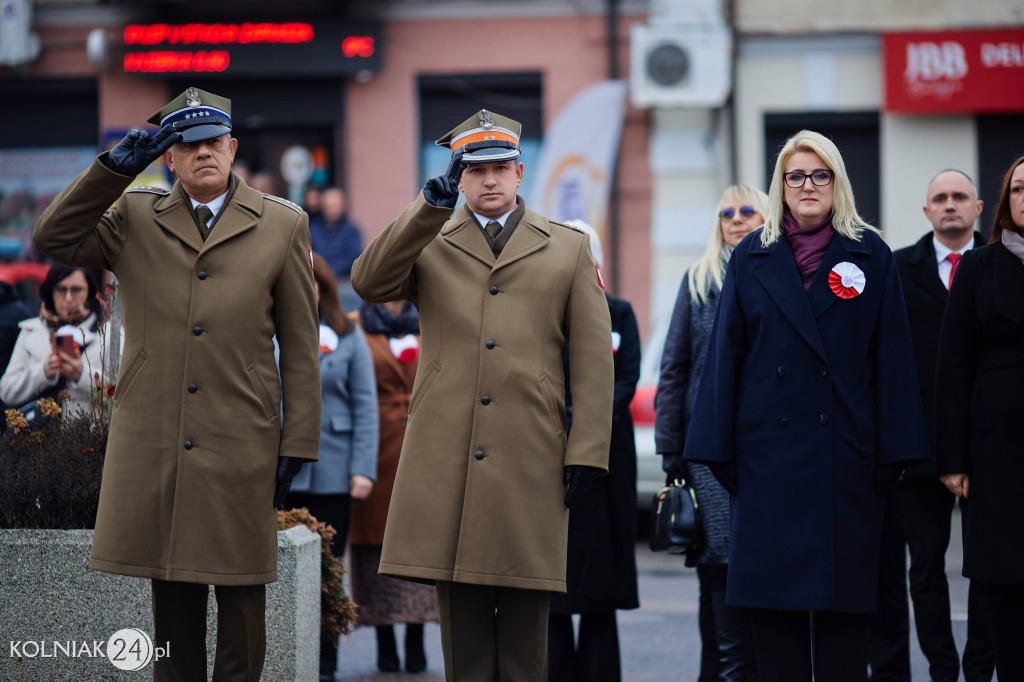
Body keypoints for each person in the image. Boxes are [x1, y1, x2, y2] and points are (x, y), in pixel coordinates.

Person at [33, 86, 322, 681]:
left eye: (213, 141)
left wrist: (298, 442)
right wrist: (112, 172)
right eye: (188, 145)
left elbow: (300, 346)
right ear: (169, 157)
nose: (203, 153)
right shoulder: (134, 215)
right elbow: (54, 238)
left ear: (233, 148)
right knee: (172, 596)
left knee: (243, 594)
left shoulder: (281, 223)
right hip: (158, 435)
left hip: (242, 435)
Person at [351, 109, 613, 681]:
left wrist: (588, 451)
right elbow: (369, 281)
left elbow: (594, 361)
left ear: (520, 172)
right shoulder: (430, 240)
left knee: (525, 645)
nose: (489, 180)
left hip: (531, 456)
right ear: (459, 178)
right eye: (475, 170)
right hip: (450, 458)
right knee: (464, 646)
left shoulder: (567, 247)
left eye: (499, 168)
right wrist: (428, 207)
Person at [682, 130, 929, 682]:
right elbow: (726, 356)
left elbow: (893, 358)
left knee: (844, 638)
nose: (808, 185)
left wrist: (894, 455)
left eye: (820, 174)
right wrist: (718, 452)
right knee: (776, 639)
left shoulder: (871, 253)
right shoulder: (752, 255)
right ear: (781, 186)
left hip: (846, 463)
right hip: (768, 464)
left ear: (837, 182)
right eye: (796, 176)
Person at [876, 170, 994, 682]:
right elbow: (885, 362)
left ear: (979, 207)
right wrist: (893, 444)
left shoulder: (1001, 264)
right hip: (919, 449)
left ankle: (980, 667)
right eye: (940, 198)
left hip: (988, 448)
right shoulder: (897, 269)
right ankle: (944, 671)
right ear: (926, 210)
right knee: (924, 569)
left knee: (990, 568)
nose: (950, 204)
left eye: (959, 196)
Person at [656, 185, 768, 682]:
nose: (736, 220)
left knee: (758, 563)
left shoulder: (779, 274)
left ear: (766, 218)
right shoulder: (698, 280)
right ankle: (723, 673)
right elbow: (674, 367)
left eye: (746, 211)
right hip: (706, 449)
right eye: (726, 213)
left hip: (763, 445)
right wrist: (669, 447)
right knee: (717, 564)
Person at [935, 154, 1024, 681]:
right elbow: (953, 365)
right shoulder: (979, 266)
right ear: (1006, 203)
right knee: (1007, 584)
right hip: (998, 450)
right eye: (1019, 188)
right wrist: (953, 458)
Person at [548, 220, 640, 682]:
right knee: (555, 575)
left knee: (602, 573)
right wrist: (564, 419)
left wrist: (589, 418)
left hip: (609, 457)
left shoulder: (619, 312)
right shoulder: (545, 311)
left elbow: (627, 378)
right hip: (551, 451)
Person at [284, 252, 378, 682]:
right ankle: (285, 656)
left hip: (337, 471)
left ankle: (325, 662)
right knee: (283, 567)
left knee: (330, 569)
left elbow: (365, 406)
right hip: (285, 470)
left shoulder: (349, 335)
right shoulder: (270, 330)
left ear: (324, 288)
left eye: (313, 281)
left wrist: (362, 469)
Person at [348, 299, 439, 674]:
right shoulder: (355, 324)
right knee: (373, 545)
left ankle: (417, 635)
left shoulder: (433, 318)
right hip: (375, 453)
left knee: (425, 544)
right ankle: (384, 638)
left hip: (427, 449)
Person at [0, 265, 104, 416]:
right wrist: (43, 372)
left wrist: (82, 375)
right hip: (38, 429)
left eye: (76, 290)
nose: (68, 298)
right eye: (61, 289)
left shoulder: (106, 336)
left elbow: (121, 394)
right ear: (51, 291)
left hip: (89, 430)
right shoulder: (30, 331)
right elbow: (6, 392)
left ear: (89, 292)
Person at [310, 187, 363, 281]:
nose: (332, 210)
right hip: (318, 281)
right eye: (328, 206)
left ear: (343, 206)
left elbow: (354, 257)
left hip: (345, 282)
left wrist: (331, 271)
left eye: (334, 206)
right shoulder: (313, 229)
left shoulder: (352, 230)